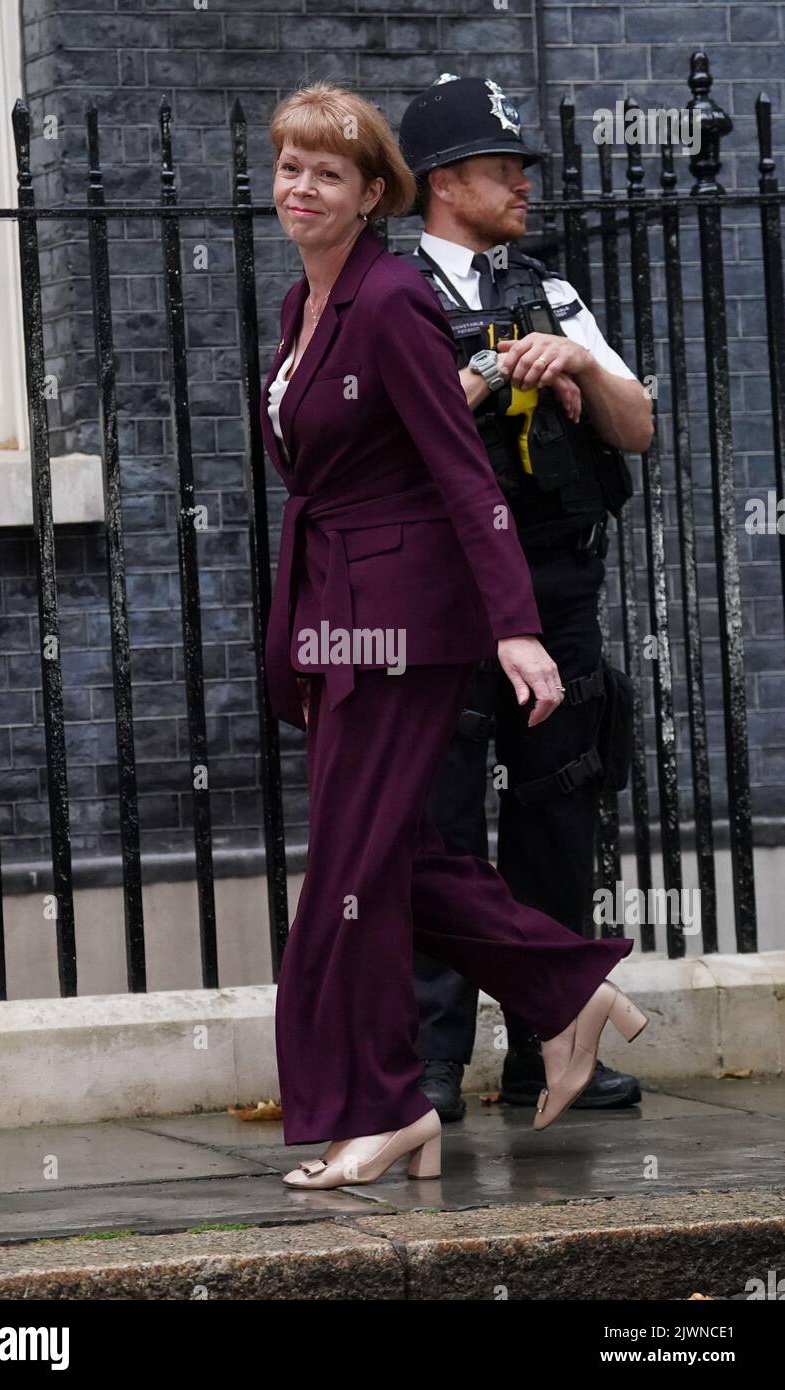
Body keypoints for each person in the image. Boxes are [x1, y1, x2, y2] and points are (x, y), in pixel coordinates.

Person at [260, 81, 648, 1192]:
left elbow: (462, 475)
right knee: (392, 853)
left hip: (402, 619)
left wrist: (516, 631)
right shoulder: (308, 311)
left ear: (375, 192)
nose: (300, 187)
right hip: (337, 612)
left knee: (351, 862)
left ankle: (383, 1101)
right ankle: (567, 991)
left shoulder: (387, 303)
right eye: (289, 167)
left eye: (327, 172)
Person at [395, 76, 654, 1122]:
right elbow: (368, 451)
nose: (523, 186)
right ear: (447, 181)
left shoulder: (549, 291)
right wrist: (479, 379)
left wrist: (578, 366)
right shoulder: (391, 291)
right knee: (440, 826)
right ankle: (427, 1064)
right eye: (505, 168)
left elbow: (637, 429)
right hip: (443, 596)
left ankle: (547, 1047)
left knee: (557, 817)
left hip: (556, 586)